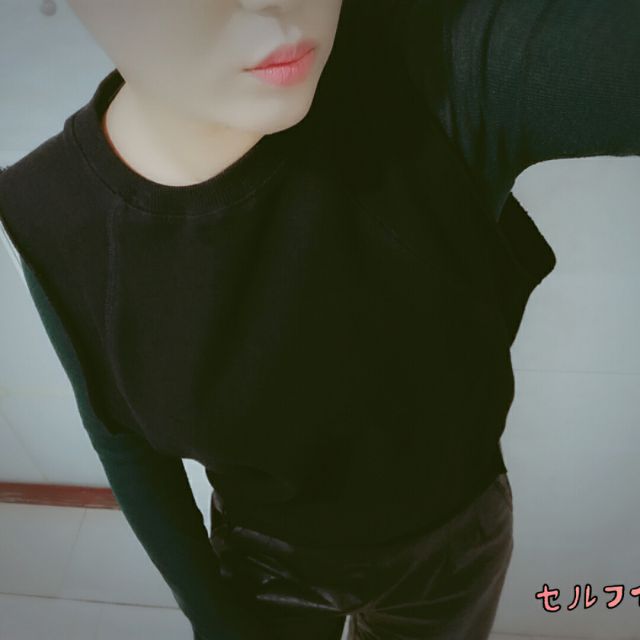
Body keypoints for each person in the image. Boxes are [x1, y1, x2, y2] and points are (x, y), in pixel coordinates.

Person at [0, 0, 638, 638]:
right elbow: (122, 438)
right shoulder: (55, 216)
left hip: (455, 547)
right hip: (264, 563)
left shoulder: (432, 61)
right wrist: (211, 612)